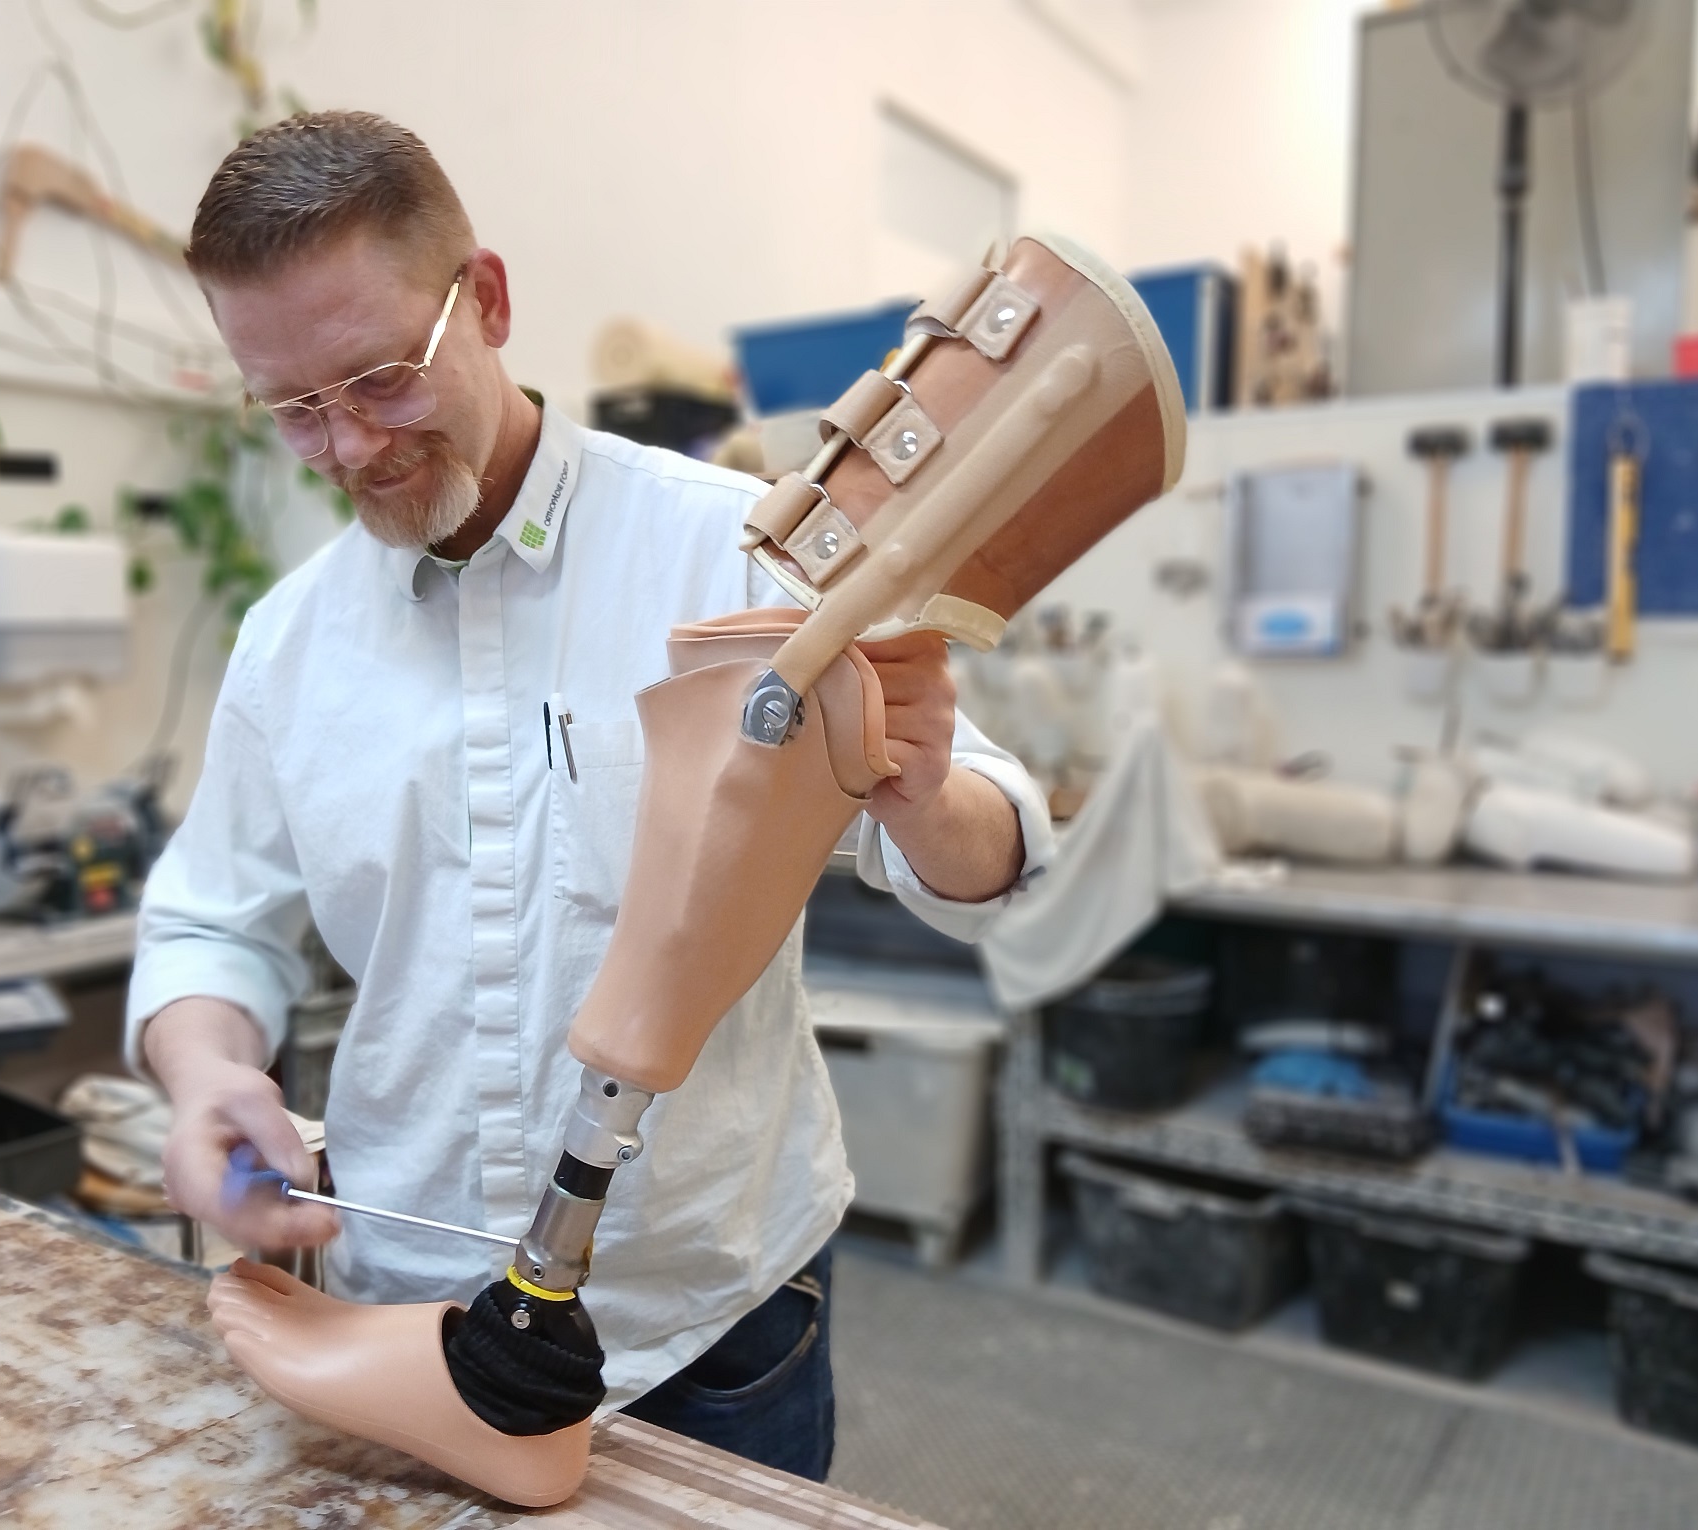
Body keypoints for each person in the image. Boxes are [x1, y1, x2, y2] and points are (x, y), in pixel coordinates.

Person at [127, 110, 1051, 1481]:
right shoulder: (287, 645)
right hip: (407, 1313)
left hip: (703, 1327)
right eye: (295, 408)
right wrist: (207, 1074)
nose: (350, 444)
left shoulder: (739, 550)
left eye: (378, 379)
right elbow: (213, 925)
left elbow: (996, 851)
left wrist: (918, 790)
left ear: (488, 302)